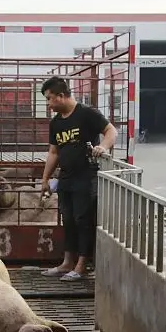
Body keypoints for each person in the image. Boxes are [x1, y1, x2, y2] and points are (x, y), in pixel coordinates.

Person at [38, 76, 117, 281]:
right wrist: (45, 179)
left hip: (86, 175)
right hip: (66, 177)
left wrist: (103, 146)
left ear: (62, 96)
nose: (48, 104)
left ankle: (81, 265)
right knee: (69, 220)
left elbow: (111, 131)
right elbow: (54, 152)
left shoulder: (86, 114)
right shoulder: (56, 123)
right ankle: (67, 263)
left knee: (83, 220)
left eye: (49, 99)